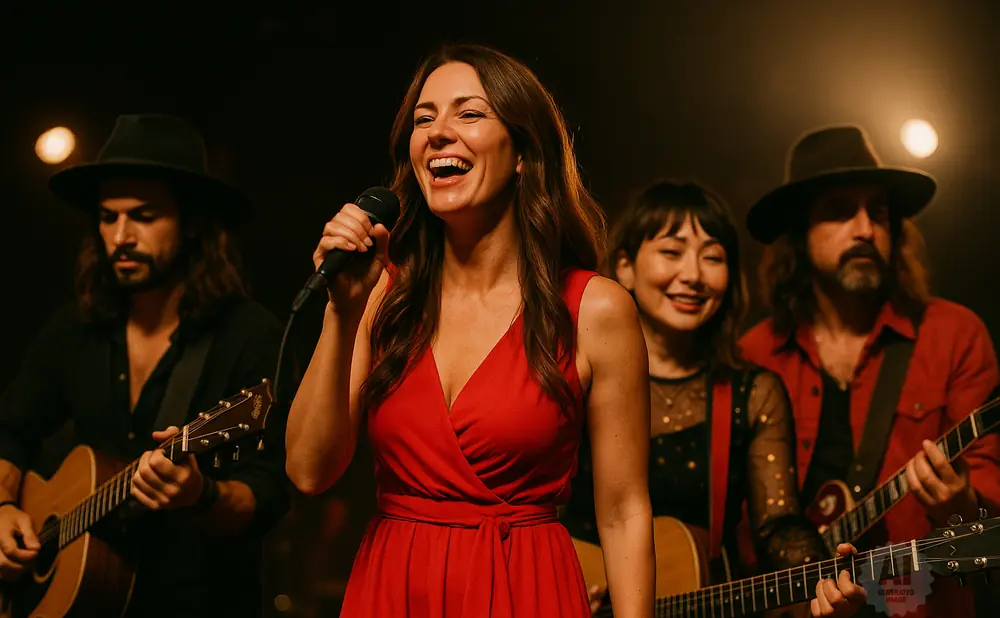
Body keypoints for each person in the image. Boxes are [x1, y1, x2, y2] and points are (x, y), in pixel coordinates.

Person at [285, 44, 654, 618]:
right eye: (424, 118)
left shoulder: (594, 309)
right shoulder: (384, 293)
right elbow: (308, 469)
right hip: (393, 587)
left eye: (469, 113)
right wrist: (342, 311)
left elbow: (625, 510)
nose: (438, 132)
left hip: (525, 589)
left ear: (523, 154)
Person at [0, 114, 290, 618]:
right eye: (109, 217)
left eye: (144, 215)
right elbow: (10, 428)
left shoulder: (249, 335)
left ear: (193, 221)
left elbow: (265, 495)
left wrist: (202, 495)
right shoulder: (76, 329)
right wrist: (2, 509)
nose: (121, 236)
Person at [562, 181, 865, 618]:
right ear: (624, 267)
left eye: (713, 257)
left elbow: (778, 526)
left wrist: (819, 577)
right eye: (672, 251)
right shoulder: (574, 371)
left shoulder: (751, 393)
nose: (693, 275)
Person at [740, 124, 1000, 618]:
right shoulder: (755, 354)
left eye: (878, 213)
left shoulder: (954, 335)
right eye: (840, 211)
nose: (864, 229)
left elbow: (988, 506)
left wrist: (959, 500)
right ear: (798, 232)